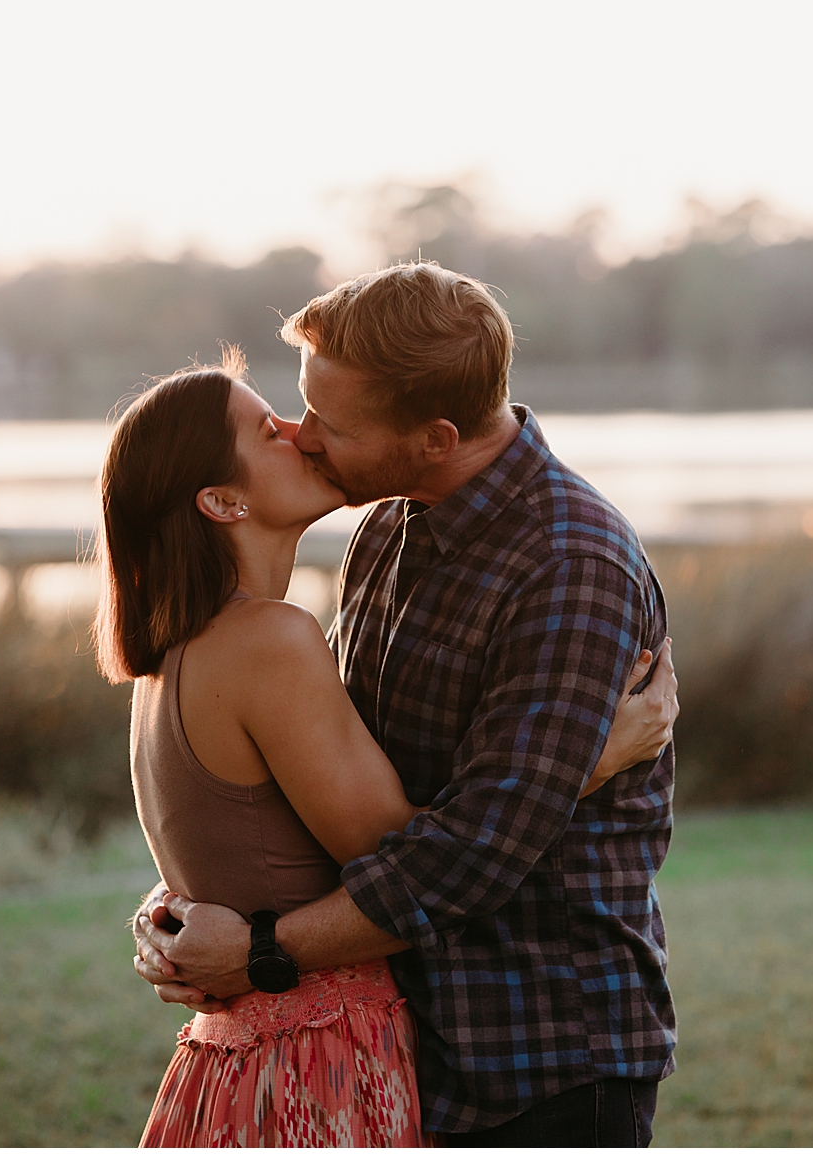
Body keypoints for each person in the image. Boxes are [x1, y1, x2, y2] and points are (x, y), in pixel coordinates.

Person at [134, 263, 677, 1146]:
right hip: (399, 1037)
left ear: (435, 436)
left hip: (540, 1055)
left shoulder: (570, 566)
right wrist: (187, 899)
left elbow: (473, 856)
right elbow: (326, 787)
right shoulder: (386, 529)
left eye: (331, 423)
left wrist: (257, 948)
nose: (305, 437)